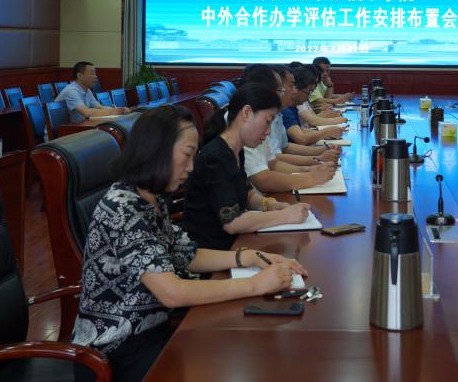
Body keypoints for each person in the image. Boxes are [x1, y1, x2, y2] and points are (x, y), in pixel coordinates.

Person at [72, 104, 306, 382]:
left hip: (151, 334)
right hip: (114, 352)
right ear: (156, 150)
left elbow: (186, 254)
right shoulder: (122, 209)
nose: (192, 166)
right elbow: (172, 293)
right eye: (187, 154)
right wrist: (257, 284)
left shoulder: (151, 198)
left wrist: (250, 256)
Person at [182, 83, 314, 250]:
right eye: (267, 121)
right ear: (246, 113)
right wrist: (284, 216)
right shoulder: (217, 157)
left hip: (236, 243)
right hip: (212, 250)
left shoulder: (237, 150)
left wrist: (271, 205)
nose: (268, 131)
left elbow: (248, 195)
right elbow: (232, 222)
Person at [239, 64, 336, 194]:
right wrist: (311, 177)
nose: (294, 91)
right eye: (286, 88)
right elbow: (263, 181)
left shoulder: (268, 114)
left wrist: (309, 169)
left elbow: (273, 162)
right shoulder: (248, 120)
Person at [282, 65, 346, 146]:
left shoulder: (291, 107)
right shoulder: (285, 110)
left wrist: (325, 134)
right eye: (291, 86)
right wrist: (326, 132)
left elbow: (301, 130)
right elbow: (302, 137)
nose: (294, 91)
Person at [56, 61, 130, 124]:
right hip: (65, 132)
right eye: (92, 74)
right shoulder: (71, 91)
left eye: (95, 74)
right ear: (80, 76)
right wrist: (113, 111)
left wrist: (119, 109)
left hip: (79, 127)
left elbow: (100, 107)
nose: (95, 76)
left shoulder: (87, 90)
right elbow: (87, 113)